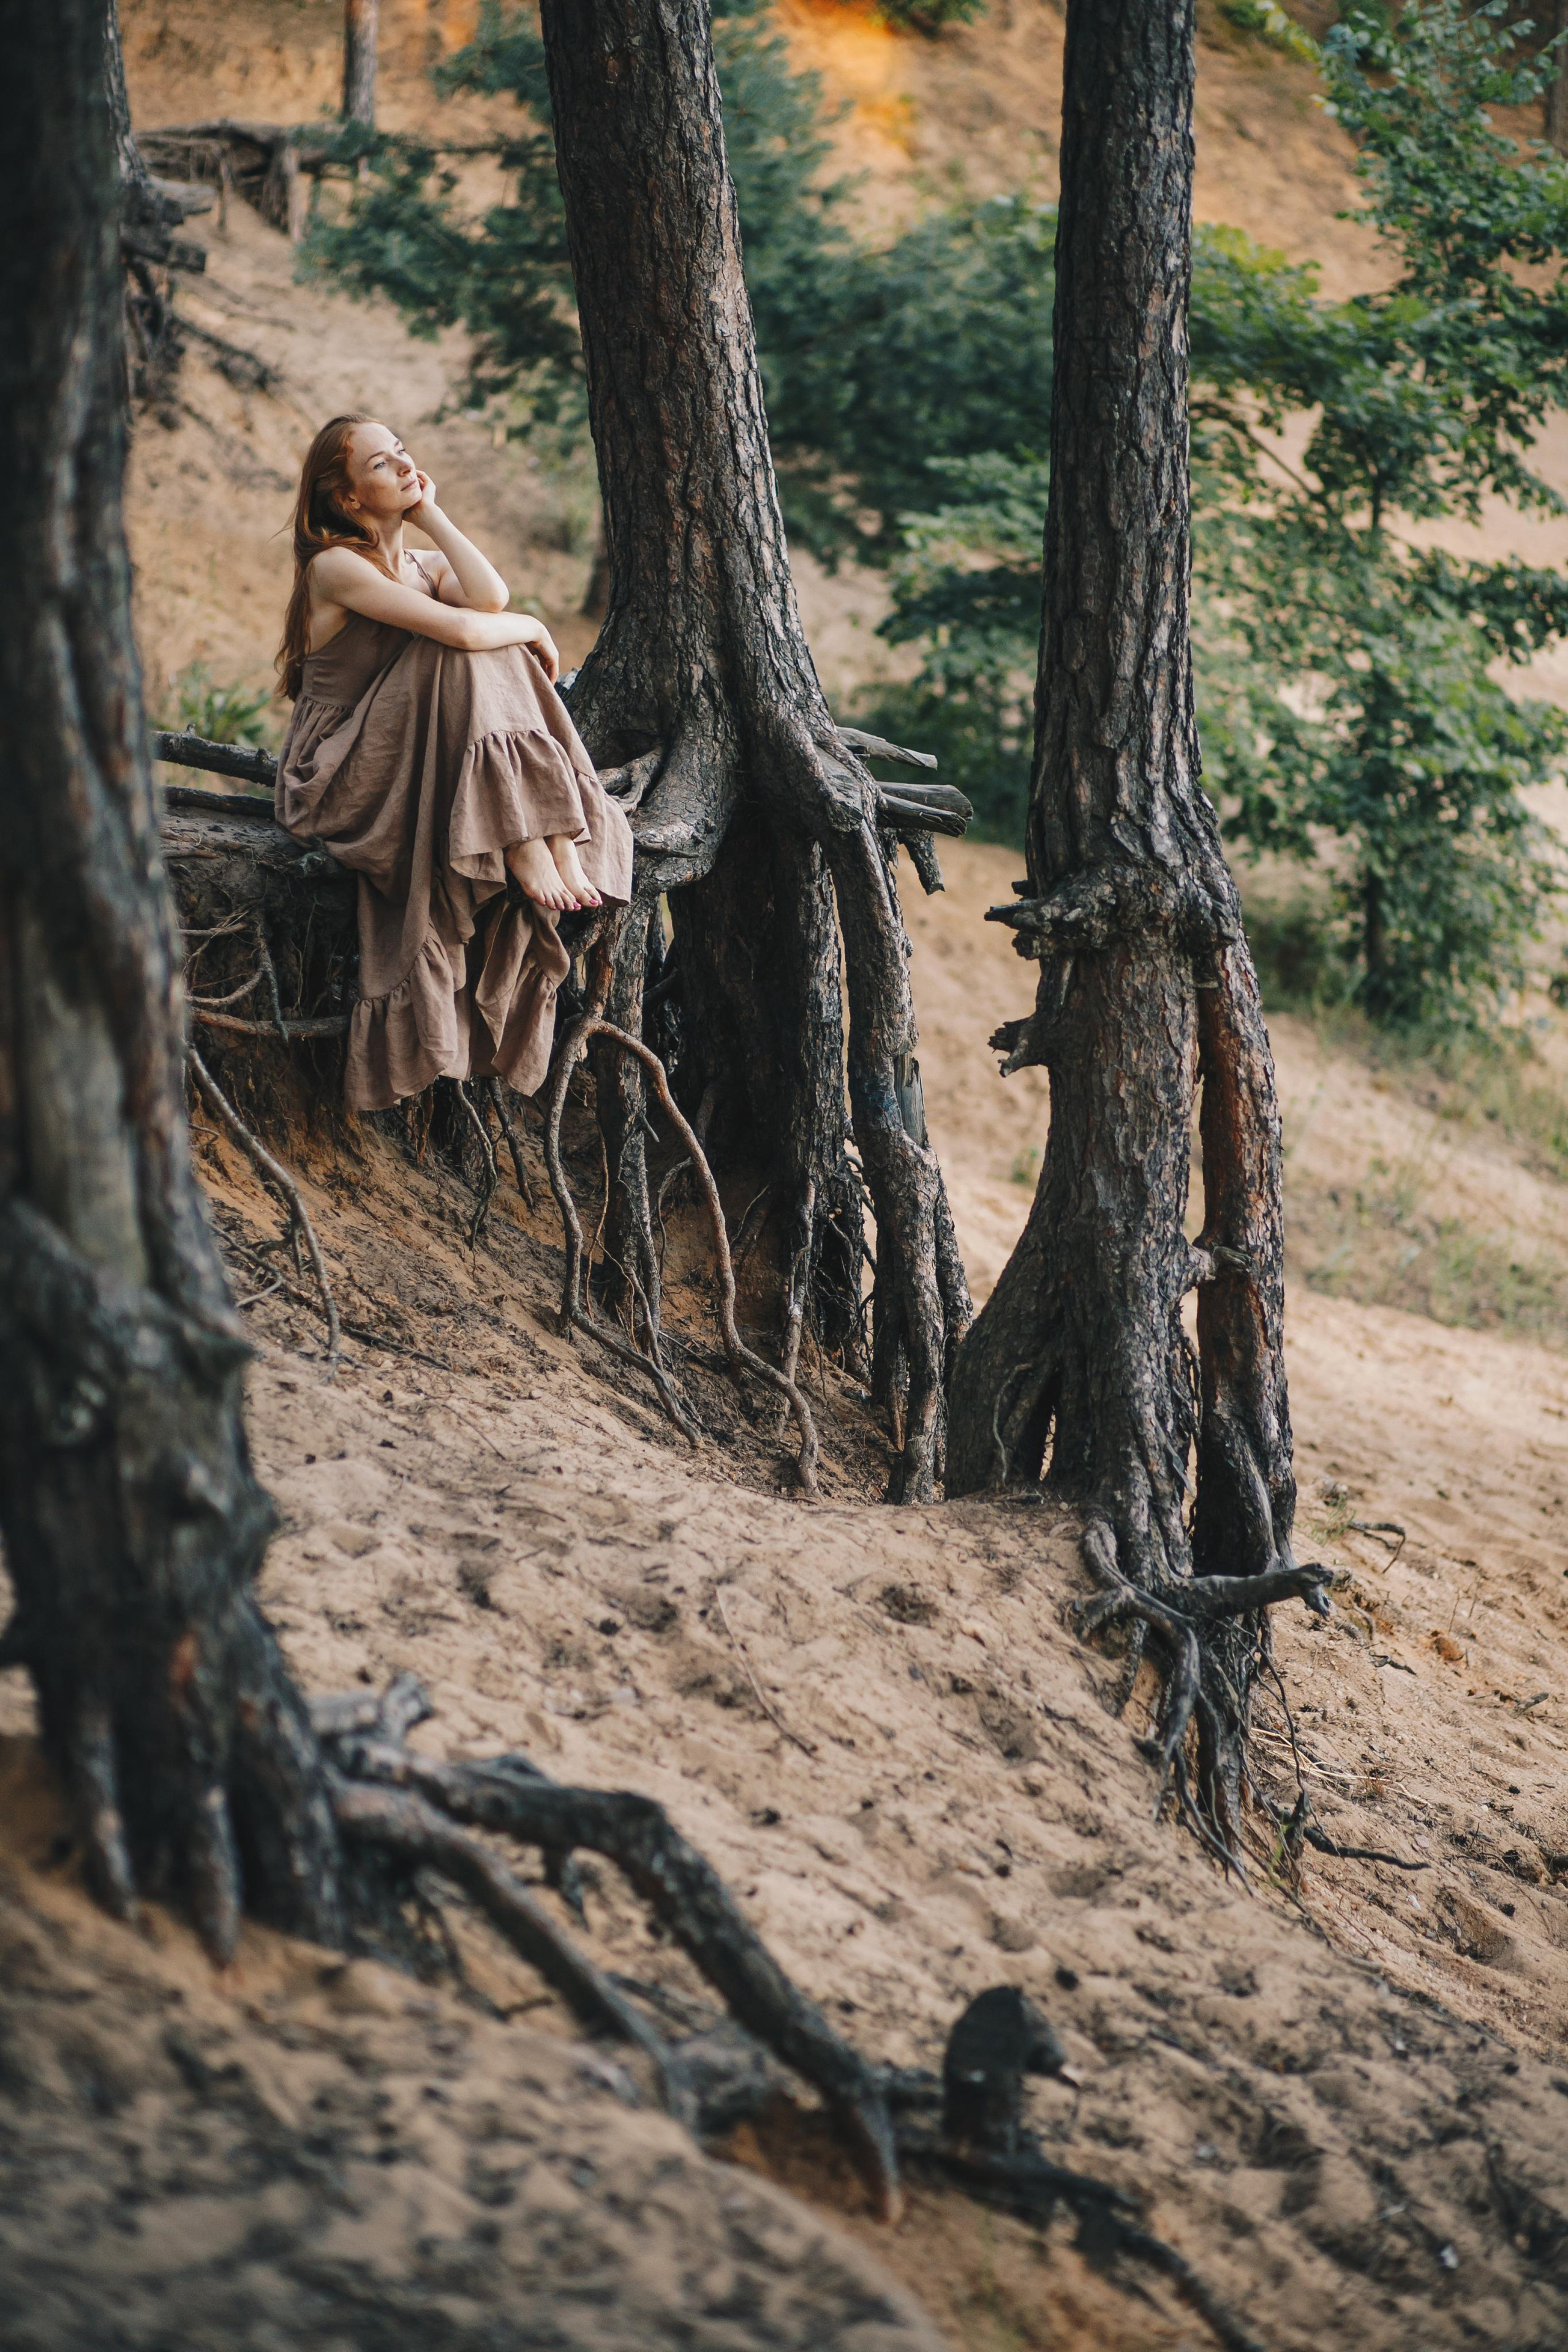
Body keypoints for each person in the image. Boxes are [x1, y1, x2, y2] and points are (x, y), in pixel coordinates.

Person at [274, 413, 633, 1112]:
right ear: (347, 499)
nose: (404, 466)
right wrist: (533, 627)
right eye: (381, 464)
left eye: (403, 452)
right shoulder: (336, 564)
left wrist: (432, 515)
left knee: (477, 642)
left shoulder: (419, 566)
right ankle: (528, 838)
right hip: (336, 773)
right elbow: (476, 626)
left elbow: (486, 597)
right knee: (465, 646)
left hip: (399, 754)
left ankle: (539, 832)